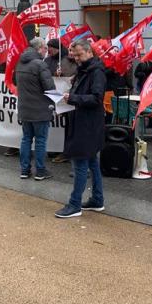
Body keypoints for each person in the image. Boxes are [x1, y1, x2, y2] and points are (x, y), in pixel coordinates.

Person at [55, 39, 107, 219]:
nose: (76, 58)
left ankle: (74, 204)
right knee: (92, 162)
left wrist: (73, 98)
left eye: (79, 54)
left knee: (80, 164)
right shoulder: (85, 70)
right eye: (74, 55)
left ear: (89, 52)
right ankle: (97, 200)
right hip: (84, 123)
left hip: (87, 125)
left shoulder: (96, 72)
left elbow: (96, 98)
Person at [14, 38, 55, 181]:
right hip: (40, 110)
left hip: (25, 108)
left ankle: (24, 170)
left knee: (26, 139)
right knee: (40, 140)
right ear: (39, 48)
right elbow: (50, 88)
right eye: (45, 48)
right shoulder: (40, 65)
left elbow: (15, 82)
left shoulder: (20, 63)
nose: (46, 51)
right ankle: (40, 171)